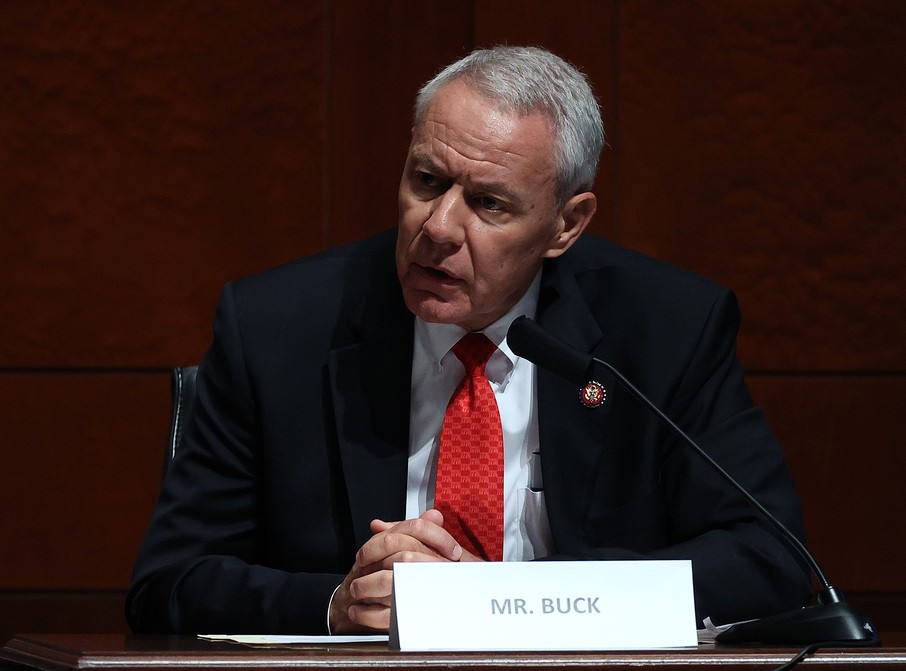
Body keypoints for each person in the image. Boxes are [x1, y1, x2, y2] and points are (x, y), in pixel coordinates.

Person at [126, 45, 813, 635]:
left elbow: (767, 558)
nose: (438, 228)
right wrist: (334, 604)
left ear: (566, 225)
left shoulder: (665, 328)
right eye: (425, 181)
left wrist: (514, 604)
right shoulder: (277, 326)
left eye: (488, 204)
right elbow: (169, 583)